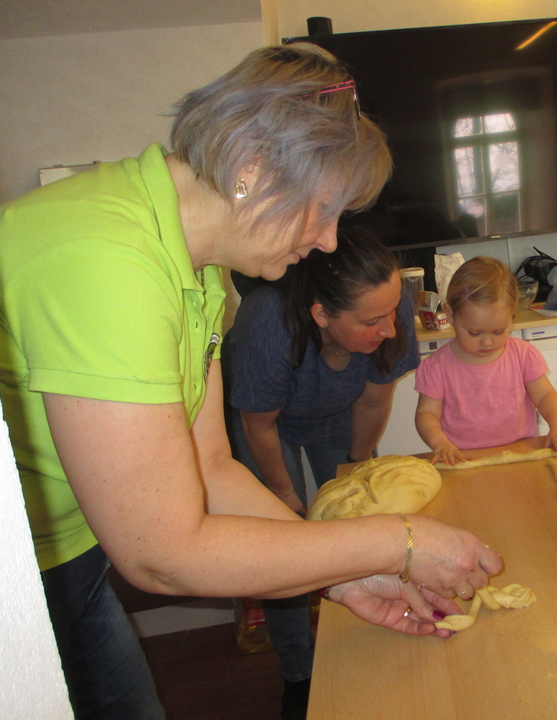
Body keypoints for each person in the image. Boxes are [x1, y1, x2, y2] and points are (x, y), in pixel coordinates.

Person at [0, 44, 501, 720]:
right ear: (251, 169)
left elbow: (209, 468)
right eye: (323, 210)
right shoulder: (106, 264)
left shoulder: (195, 268)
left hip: (66, 556)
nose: (329, 242)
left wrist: (348, 577)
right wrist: (396, 541)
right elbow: (162, 554)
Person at [221, 228, 419, 711]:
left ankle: (369, 643)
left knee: (363, 519)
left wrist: (355, 468)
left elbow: (373, 401)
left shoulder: (389, 306)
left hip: (336, 410)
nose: (391, 328)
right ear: (321, 315)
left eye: (392, 312)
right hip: (265, 423)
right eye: (372, 321)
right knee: (281, 549)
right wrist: (286, 497)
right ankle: (299, 674)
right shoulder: (269, 323)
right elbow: (258, 425)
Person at [414, 256, 557, 465]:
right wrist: (440, 443)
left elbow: (545, 396)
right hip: (464, 460)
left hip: (522, 454)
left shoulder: (522, 355)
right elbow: (427, 413)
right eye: (474, 333)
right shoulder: (436, 367)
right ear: (451, 315)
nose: (487, 342)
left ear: (511, 316)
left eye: (499, 331)